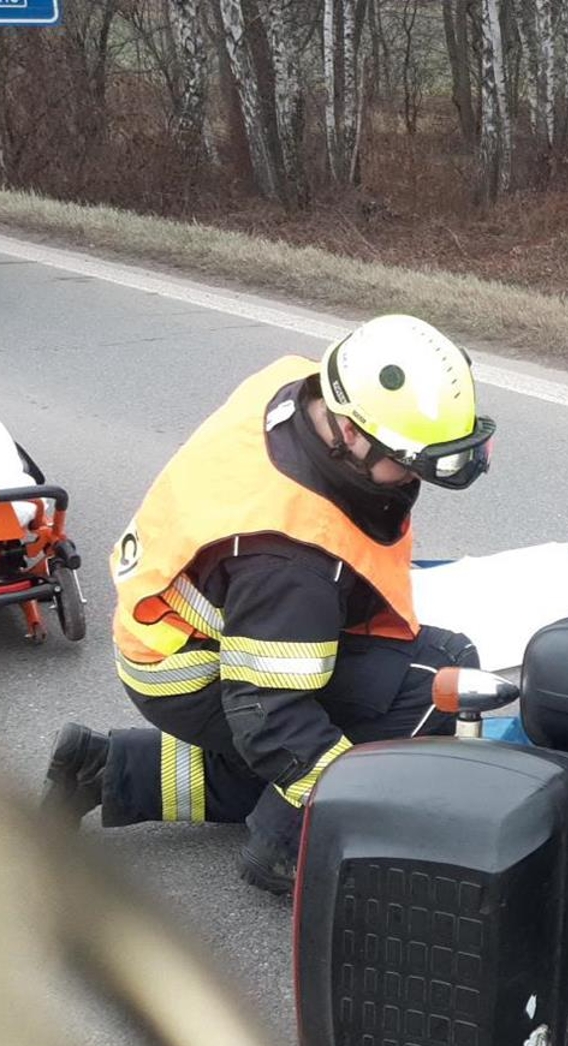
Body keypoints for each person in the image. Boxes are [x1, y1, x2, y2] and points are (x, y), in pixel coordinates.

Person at [40, 314, 497, 894]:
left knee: (373, 698)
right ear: (350, 433)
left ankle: (108, 770)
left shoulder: (299, 388)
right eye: (407, 460)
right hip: (198, 673)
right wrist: (356, 803)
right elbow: (268, 717)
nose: (415, 476)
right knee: (437, 682)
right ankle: (283, 849)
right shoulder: (290, 560)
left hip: (179, 635)